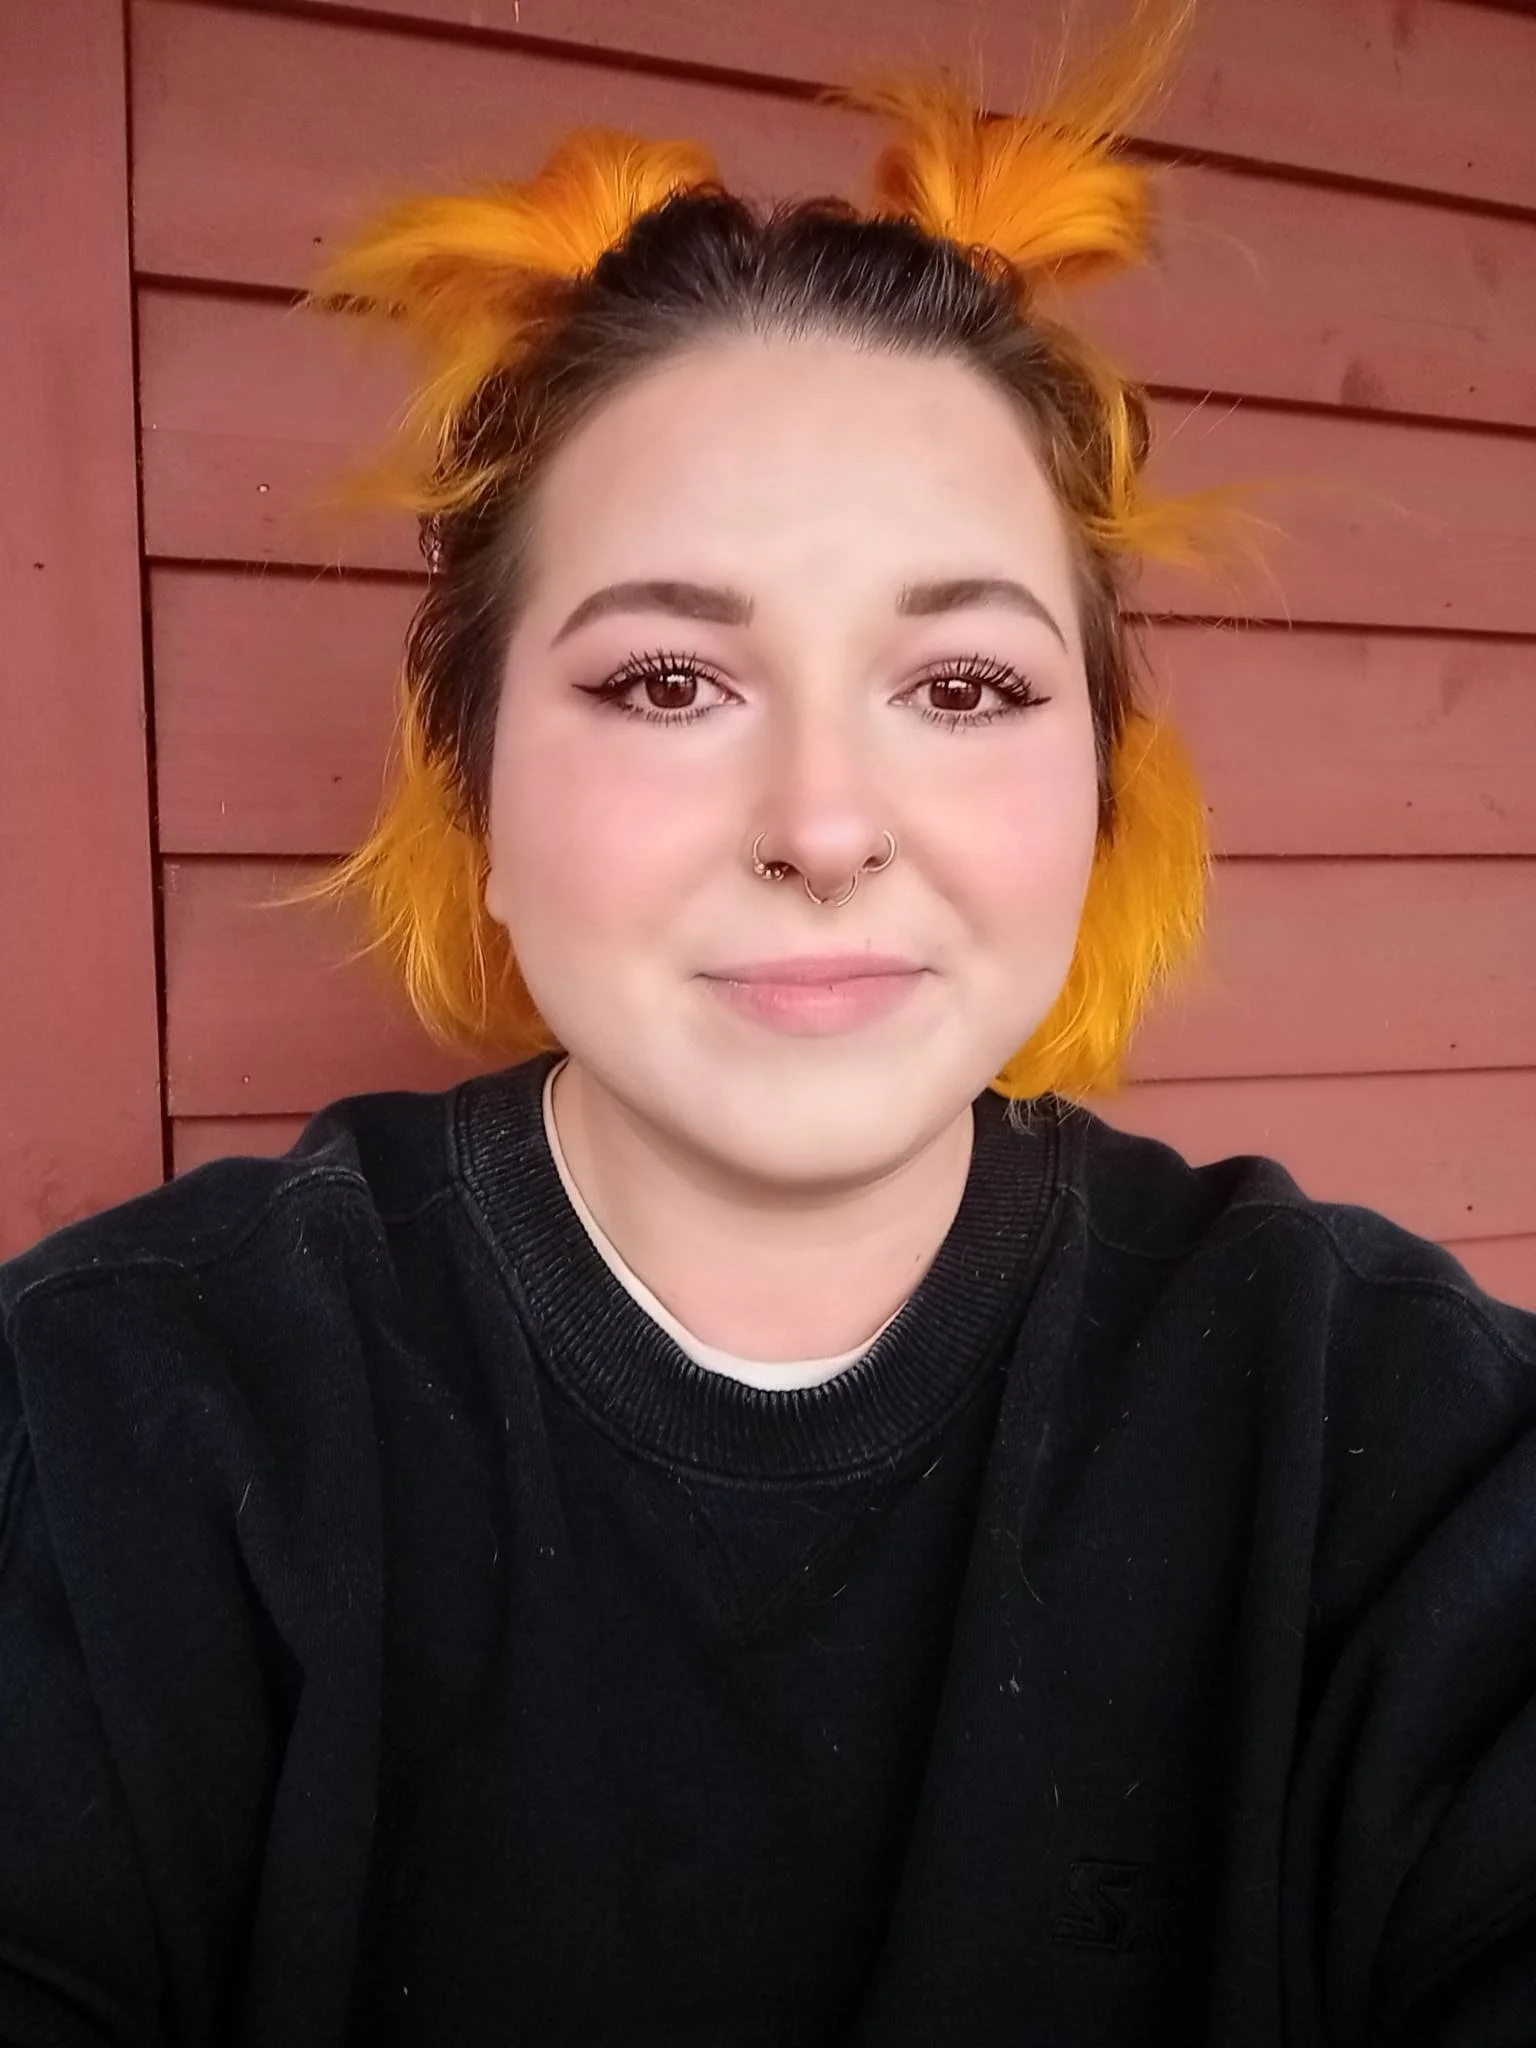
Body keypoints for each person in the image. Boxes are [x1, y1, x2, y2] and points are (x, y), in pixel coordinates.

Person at [2, 2, 1534, 2041]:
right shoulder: (112, 1431)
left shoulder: (1401, 1447)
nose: (822, 824)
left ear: (1102, 790)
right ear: (472, 795)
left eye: (965, 687)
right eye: (667, 682)